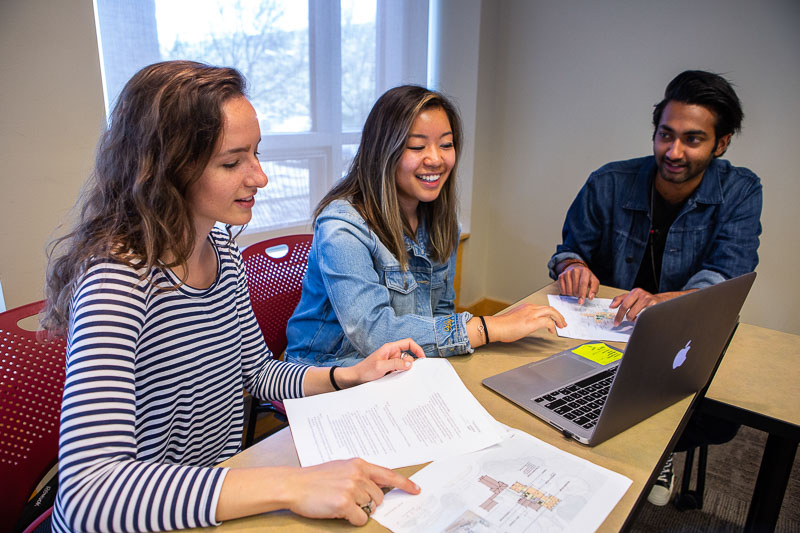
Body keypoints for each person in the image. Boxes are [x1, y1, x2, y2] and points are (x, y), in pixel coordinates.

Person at [42, 61, 425, 532]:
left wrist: (347, 375)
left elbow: (258, 372)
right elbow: (89, 494)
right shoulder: (118, 281)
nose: (260, 177)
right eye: (231, 162)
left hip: (214, 498)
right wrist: (290, 485)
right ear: (168, 170)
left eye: (256, 155)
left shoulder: (220, 246)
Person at [548, 70, 762, 505]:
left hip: (688, 333)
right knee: (560, 384)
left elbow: (728, 274)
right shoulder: (608, 181)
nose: (674, 151)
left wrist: (662, 304)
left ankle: (655, 448)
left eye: (692, 139)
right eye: (666, 135)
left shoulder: (741, 190)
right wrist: (572, 266)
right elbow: (569, 250)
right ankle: (635, 447)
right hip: (609, 329)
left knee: (723, 419)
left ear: (721, 144)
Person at [285, 85, 565, 367]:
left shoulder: (440, 221)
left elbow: (440, 312)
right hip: (331, 368)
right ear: (383, 152)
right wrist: (489, 328)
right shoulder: (343, 227)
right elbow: (375, 335)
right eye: (417, 146)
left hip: (405, 366)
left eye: (446, 144)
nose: (436, 159)